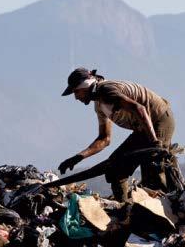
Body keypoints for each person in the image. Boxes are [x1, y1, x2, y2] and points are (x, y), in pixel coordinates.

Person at [58, 68, 176, 202]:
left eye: (76, 92)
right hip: (142, 129)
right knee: (115, 169)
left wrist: (154, 142)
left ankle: (164, 210)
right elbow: (104, 138)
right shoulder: (100, 105)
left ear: (85, 86)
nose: (76, 97)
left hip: (159, 120)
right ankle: (124, 209)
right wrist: (79, 157)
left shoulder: (106, 91)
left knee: (152, 166)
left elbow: (140, 109)